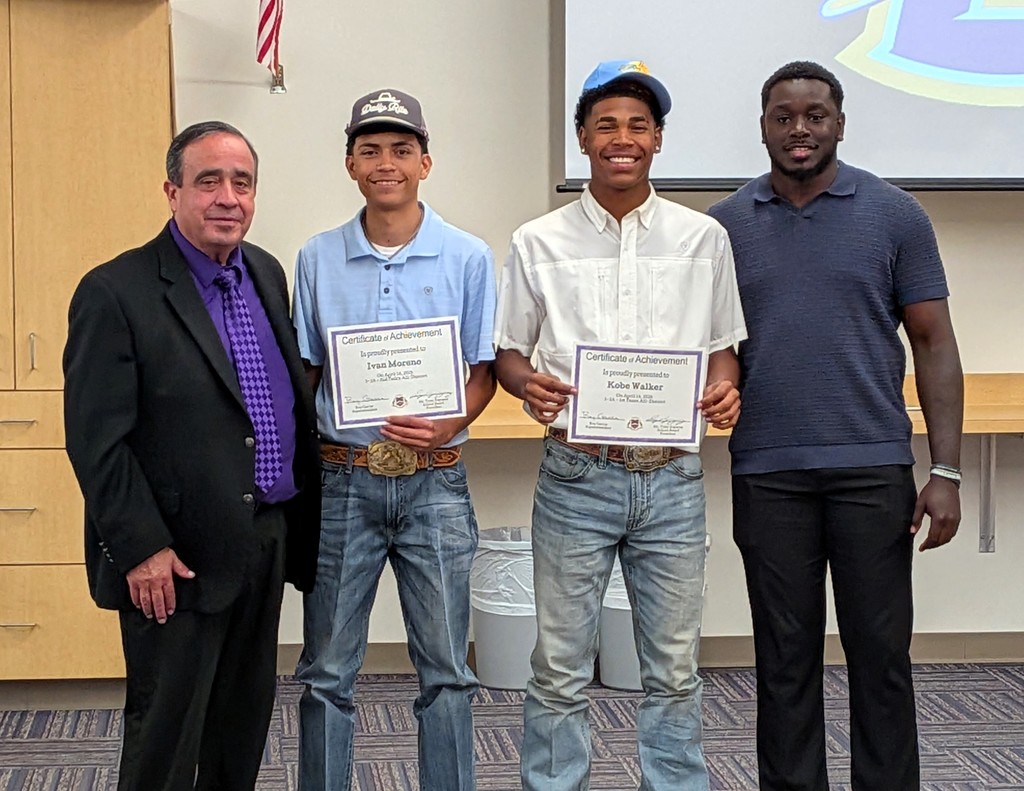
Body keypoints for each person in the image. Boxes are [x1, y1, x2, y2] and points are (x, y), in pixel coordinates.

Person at [708, 61, 964, 790]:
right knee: (783, 661)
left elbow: (936, 344)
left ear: (840, 124)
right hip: (768, 472)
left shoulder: (895, 214)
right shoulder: (722, 227)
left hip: (873, 470)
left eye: (815, 115)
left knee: (881, 656)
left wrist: (944, 469)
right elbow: (708, 348)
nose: (799, 129)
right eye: (783, 116)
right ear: (762, 125)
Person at [494, 60, 747, 791]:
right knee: (560, 668)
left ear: (658, 140)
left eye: (638, 125)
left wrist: (725, 391)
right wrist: (527, 386)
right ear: (582, 138)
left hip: (672, 477)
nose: (622, 138)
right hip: (578, 472)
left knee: (673, 669)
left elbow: (723, 352)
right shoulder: (537, 240)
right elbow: (509, 353)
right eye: (606, 124)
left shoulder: (704, 239)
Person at [62, 120, 321, 790]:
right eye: (209, 180)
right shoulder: (115, 291)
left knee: (241, 730)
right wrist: (140, 545)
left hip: (262, 539)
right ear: (173, 189)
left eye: (243, 182)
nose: (228, 196)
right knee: (166, 741)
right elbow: (97, 440)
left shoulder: (265, 271)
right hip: (171, 560)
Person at [292, 88, 496, 791]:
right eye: (371, 150)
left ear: (426, 162)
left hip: (434, 480)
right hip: (343, 481)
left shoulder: (468, 257)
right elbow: (306, 371)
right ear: (350, 163)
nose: (387, 163)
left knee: (446, 669)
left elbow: (483, 372)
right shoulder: (315, 258)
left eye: (402, 150)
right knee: (326, 672)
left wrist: (454, 420)